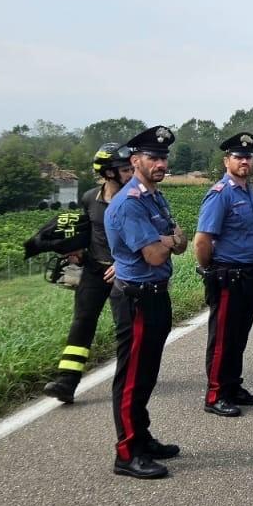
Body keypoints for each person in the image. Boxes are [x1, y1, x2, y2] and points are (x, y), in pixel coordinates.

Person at [104, 125, 188, 479]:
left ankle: (142, 436)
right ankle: (126, 452)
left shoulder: (154, 197)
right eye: (153, 157)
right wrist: (169, 240)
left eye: (164, 157)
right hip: (136, 299)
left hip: (156, 295)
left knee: (148, 374)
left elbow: (181, 242)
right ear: (135, 160)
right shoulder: (129, 203)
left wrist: (169, 240)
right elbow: (155, 254)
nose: (161, 163)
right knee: (132, 378)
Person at [42, 142, 134, 403]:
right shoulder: (89, 198)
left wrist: (124, 265)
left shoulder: (137, 200)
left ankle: (131, 377)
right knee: (82, 323)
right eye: (124, 169)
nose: (130, 173)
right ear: (108, 173)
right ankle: (66, 382)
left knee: (125, 329)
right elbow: (87, 231)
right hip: (95, 271)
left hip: (125, 273)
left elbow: (145, 239)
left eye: (130, 168)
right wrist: (75, 252)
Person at [194, 132, 253, 418]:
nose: (244, 161)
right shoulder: (220, 194)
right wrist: (210, 269)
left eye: (248, 157)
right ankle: (215, 394)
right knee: (223, 338)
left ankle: (233, 386)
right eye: (238, 157)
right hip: (227, 275)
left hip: (249, 274)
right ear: (227, 161)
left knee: (239, 336)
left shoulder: (248, 191)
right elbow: (202, 240)